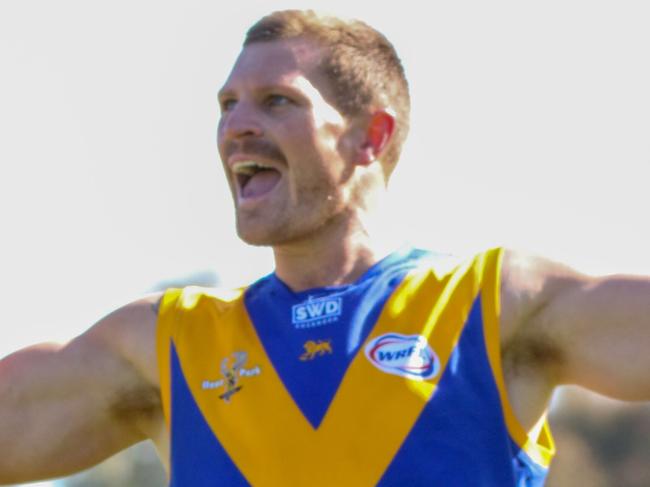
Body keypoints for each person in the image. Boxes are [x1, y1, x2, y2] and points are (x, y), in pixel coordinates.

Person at [1, 9, 649, 487]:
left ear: (371, 136)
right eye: (227, 104)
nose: (235, 126)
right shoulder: (169, 342)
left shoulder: (491, 303)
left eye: (277, 100)